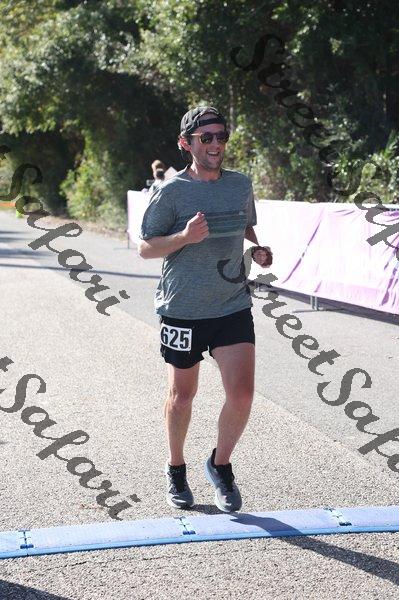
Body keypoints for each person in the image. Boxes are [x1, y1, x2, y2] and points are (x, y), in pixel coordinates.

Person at [138, 106, 272, 513]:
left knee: (242, 394)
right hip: (183, 308)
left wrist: (257, 249)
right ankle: (175, 468)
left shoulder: (239, 184)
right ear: (186, 143)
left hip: (232, 304)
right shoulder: (171, 191)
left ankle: (220, 465)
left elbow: (244, 224)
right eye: (206, 137)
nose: (216, 144)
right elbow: (146, 247)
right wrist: (184, 236)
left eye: (221, 136)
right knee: (182, 396)